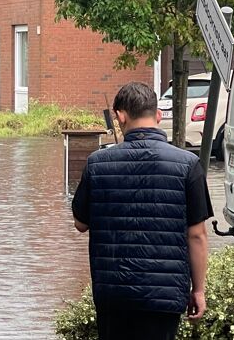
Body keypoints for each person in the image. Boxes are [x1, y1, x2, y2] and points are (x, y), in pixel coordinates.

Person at [71, 81, 212, 340]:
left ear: (121, 116)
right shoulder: (188, 164)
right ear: (157, 115)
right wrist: (199, 290)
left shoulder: (97, 163)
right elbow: (197, 235)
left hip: (114, 295)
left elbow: (81, 223)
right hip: (165, 296)